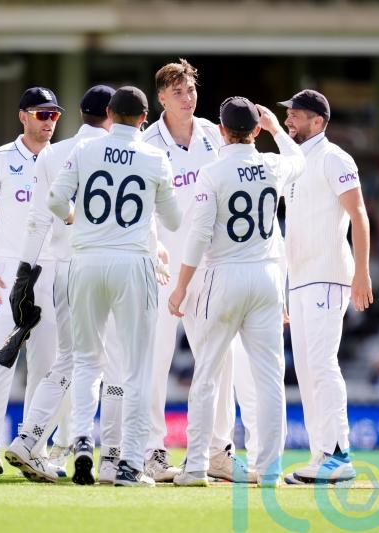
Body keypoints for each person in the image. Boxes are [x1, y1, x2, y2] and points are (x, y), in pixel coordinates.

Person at [48, 86, 181, 487]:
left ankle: (82, 440)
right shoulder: (156, 156)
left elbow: (55, 200)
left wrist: (78, 220)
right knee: (137, 368)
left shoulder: (85, 150)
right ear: (145, 119)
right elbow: (173, 221)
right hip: (132, 262)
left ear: (109, 112)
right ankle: (127, 465)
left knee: (88, 362)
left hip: (85, 260)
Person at [168, 97, 304, 486]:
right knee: (269, 378)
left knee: (208, 375)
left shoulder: (213, 172)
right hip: (266, 277)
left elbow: (198, 235)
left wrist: (180, 287)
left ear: (222, 131)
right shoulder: (273, 164)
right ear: (255, 131)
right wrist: (279, 130)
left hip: (224, 275)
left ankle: (196, 466)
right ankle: (270, 467)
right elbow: (300, 161)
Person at [142, 58, 258, 482]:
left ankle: (218, 452)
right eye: (178, 92)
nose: (187, 99)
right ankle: (153, 450)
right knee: (154, 358)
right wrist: (152, 247)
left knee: (219, 360)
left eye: (191, 90)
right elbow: (142, 204)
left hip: (210, 266)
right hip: (163, 265)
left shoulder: (214, 133)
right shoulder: (147, 141)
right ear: (161, 98)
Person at [4, 85, 125, 483]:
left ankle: (33, 441)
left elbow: (39, 219)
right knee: (105, 364)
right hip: (108, 267)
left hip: (61, 269)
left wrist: (24, 273)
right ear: (111, 113)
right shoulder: (121, 152)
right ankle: (92, 450)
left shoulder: (53, 154)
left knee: (70, 361)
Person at [278, 90, 373, 485]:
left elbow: (359, 213)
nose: (289, 122)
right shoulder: (294, 163)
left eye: (296, 116)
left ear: (318, 122)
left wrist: (362, 273)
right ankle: (322, 455)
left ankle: (339, 453)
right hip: (300, 279)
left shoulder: (334, 157)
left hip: (329, 275)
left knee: (321, 364)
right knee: (306, 370)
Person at [0, 87, 62, 476]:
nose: (49, 122)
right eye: (42, 114)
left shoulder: (64, 159)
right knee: (3, 358)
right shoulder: (1, 159)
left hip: (54, 267)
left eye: (55, 115)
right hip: (8, 270)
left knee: (46, 363)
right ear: (23, 116)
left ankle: (31, 446)